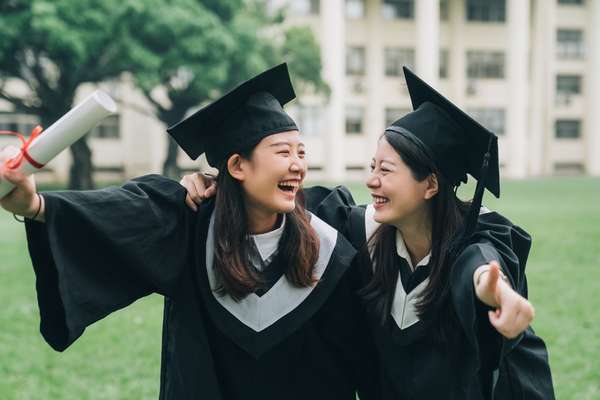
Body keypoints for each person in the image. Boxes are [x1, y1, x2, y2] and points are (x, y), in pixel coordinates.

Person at [0, 64, 379, 400]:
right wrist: (36, 207)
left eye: (301, 152)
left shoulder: (329, 222)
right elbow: (123, 213)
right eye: (283, 153)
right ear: (237, 165)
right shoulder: (189, 222)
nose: (298, 165)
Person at [181, 67, 555, 399]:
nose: (370, 180)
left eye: (387, 171)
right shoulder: (363, 230)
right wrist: (218, 182)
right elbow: (289, 199)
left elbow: (479, 262)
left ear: (430, 185)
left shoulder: (478, 239)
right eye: (372, 165)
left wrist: (493, 290)